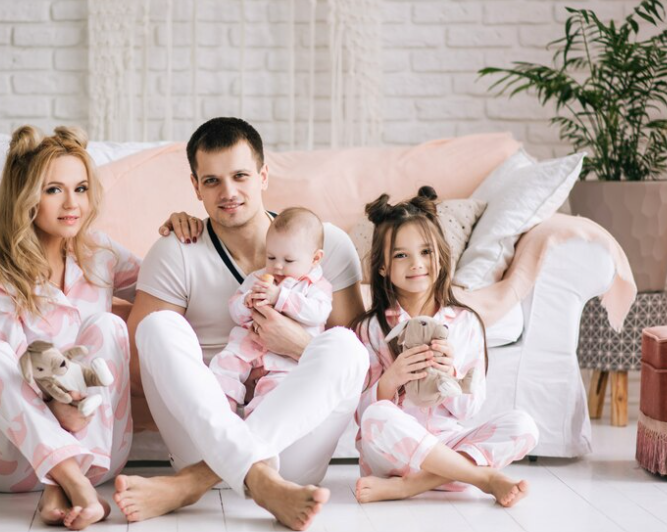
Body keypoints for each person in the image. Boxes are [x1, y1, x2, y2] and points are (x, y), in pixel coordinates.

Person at [113, 117, 368, 531]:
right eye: (211, 181)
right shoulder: (176, 250)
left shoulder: (326, 243)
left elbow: (360, 365)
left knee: (348, 346)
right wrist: (221, 409)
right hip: (202, 428)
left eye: (240, 176)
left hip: (293, 445)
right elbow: (141, 368)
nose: (228, 193)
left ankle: (195, 482)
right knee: (155, 328)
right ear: (195, 187)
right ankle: (253, 476)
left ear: (263, 175)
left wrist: (298, 343)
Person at [0, 125, 140, 530]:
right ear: (27, 199)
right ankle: (79, 487)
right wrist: (59, 409)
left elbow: (165, 282)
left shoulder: (100, 255)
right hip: (8, 462)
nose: (72, 203)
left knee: (107, 324)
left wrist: (184, 233)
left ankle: (63, 485)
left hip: (97, 451)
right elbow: (11, 375)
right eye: (54, 189)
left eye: (81, 188)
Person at [350, 188, 539, 507]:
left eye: (426, 252)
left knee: (524, 426)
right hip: (390, 455)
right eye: (400, 255)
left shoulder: (466, 323)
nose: (416, 264)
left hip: (447, 444)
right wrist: (391, 379)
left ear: (441, 254)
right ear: (382, 266)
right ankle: (481, 477)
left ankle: (411, 487)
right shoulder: (370, 328)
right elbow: (360, 414)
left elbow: (470, 409)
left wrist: (451, 374)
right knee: (376, 415)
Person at [210, 207, 333, 417]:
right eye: (271, 257)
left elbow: (318, 313)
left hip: (285, 359)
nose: (277, 266)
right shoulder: (257, 278)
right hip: (247, 345)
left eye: (288, 260)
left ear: (315, 259)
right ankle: (222, 417)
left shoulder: (316, 287)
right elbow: (234, 310)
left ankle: (257, 428)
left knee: (275, 394)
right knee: (221, 367)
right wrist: (246, 302)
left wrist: (280, 297)